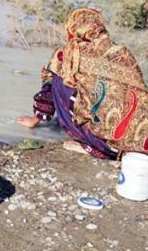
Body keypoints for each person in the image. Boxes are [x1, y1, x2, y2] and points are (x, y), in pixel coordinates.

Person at [17, 8, 148, 158]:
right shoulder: (121, 52)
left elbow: (48, 86)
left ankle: (90, 145)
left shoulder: (67, 54)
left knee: (57, 79)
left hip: (106, 144)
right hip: (141, 138)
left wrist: (36, 119)